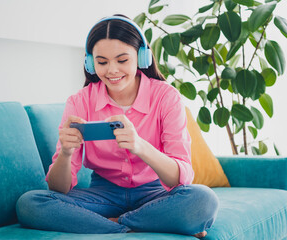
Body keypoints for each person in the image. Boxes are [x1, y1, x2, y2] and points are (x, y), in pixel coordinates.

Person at [16, 14, 219, 238]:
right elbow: (58, 189)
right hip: (102, 195)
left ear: (142, 57)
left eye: (122, 60)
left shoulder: (166, 97)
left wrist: (139, 146)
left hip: (154, 194)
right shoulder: (80, 101)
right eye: (102, 62)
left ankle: (108, 224)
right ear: (90, 63)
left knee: (203, 200)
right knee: (29, 204)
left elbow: (180, 178)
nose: (112, 70)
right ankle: (135, 225)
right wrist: (65, 153)